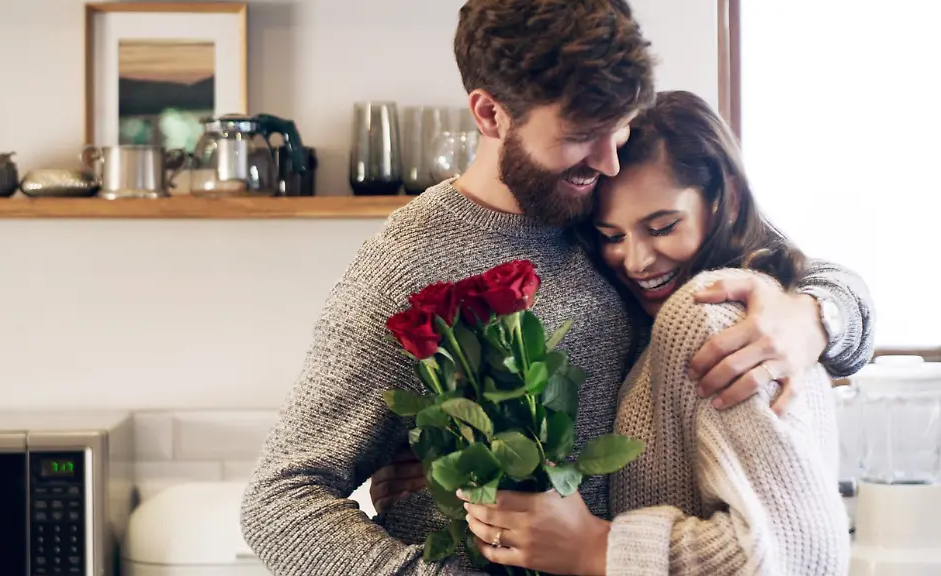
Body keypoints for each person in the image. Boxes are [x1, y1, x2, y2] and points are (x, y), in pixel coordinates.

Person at [241, 1, 874, 574]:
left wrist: (817, 314)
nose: (608, 161)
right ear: (491, 113)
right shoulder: (408, 266)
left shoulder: (619, 201)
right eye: (578, 135)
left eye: (619, 126)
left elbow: (776, 264)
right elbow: (281, 499)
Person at [374, 91, 856, 574]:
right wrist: (454, 457)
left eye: (663, 226)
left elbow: (803, 553)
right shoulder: (651, 316)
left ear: (725, 196)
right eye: (612, 236)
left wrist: (599, 548)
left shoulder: (709, 312)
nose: (638, 260)